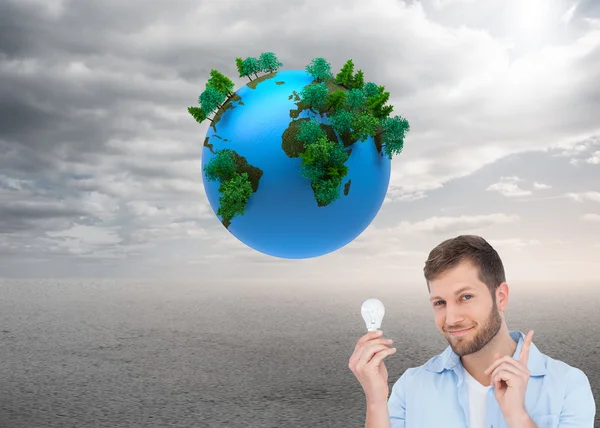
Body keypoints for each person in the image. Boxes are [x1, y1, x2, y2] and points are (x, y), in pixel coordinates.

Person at [348, 235, 596, 428]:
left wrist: (518, 417)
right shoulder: (411, 387)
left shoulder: (568, 386)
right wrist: (375, 399)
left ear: (500, 297)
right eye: (440, 303)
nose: (452, 318)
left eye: (465, 297)